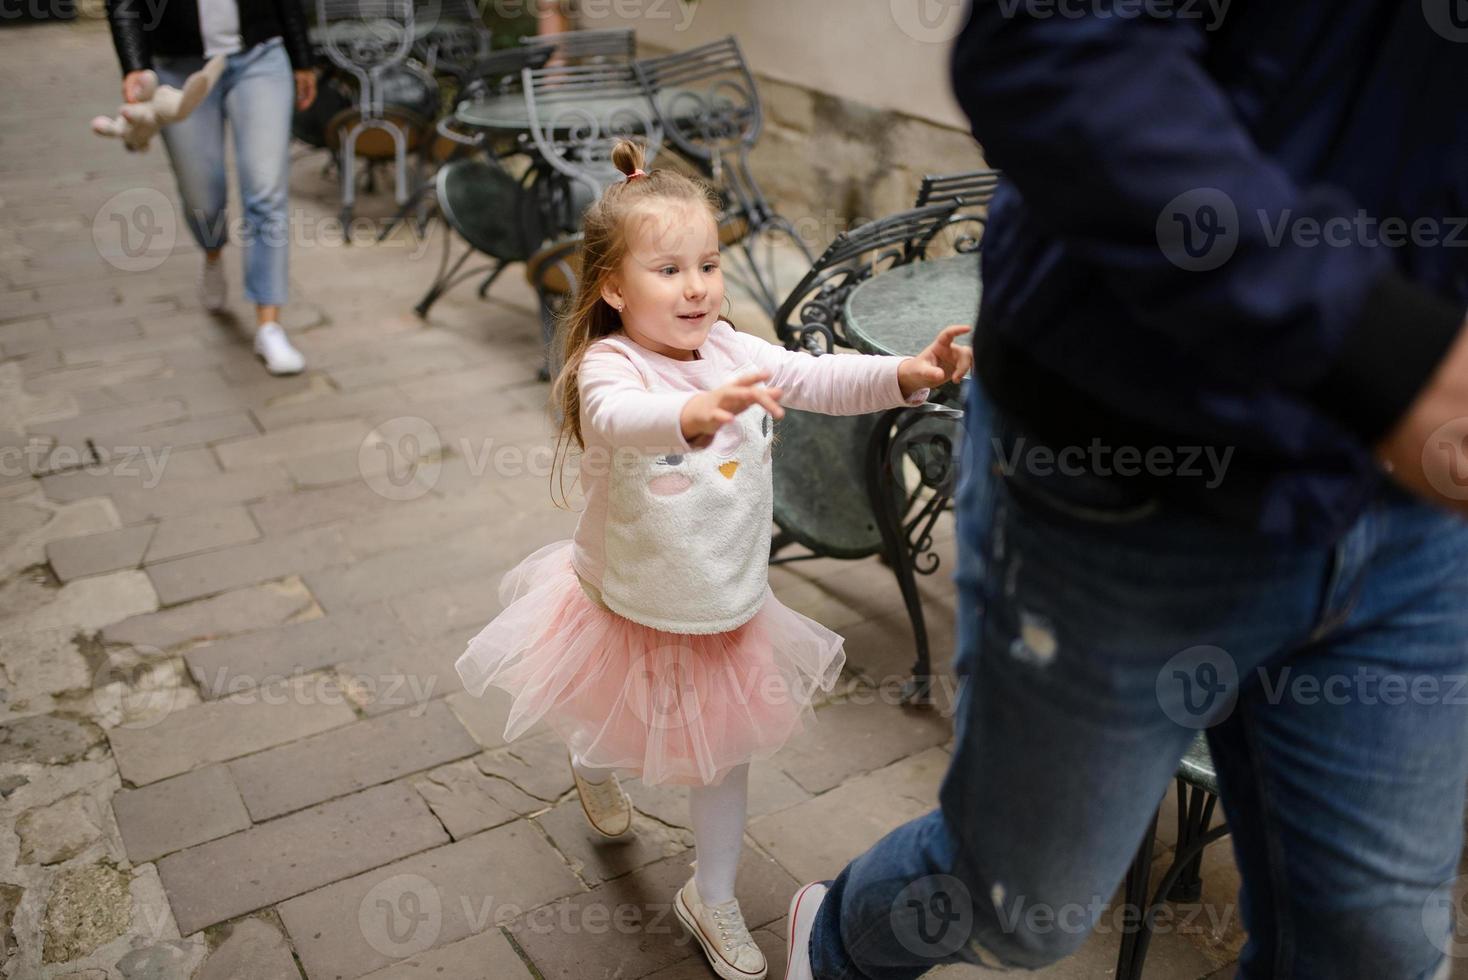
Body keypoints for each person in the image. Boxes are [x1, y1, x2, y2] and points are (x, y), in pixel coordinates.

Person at [783, 3, 1468, 979]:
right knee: (1017, 906)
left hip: (1413, 521)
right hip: (1120, 481)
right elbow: (1049, 45)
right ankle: (833, 940)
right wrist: (1383, 352)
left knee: (1379, 951)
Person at [454, 139, 972, 980]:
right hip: (625, 593)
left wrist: (908, 375)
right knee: (603, 705)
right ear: (615, 288)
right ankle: (591, 765)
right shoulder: (609, 364)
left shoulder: (735, 350)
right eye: (668, 270)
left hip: (725, 602)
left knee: (723, 756)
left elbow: (818, 376)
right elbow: (620, 419)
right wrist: (694, 412)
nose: (696, 286)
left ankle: (713, 893)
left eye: (708, 263)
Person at [104, 0, 316, 374]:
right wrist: (135, 64)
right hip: (177, 66)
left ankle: (269, 324)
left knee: (266, 192)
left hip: (259, 58)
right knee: (202, 191)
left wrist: (301, 57)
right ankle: (212, 251)